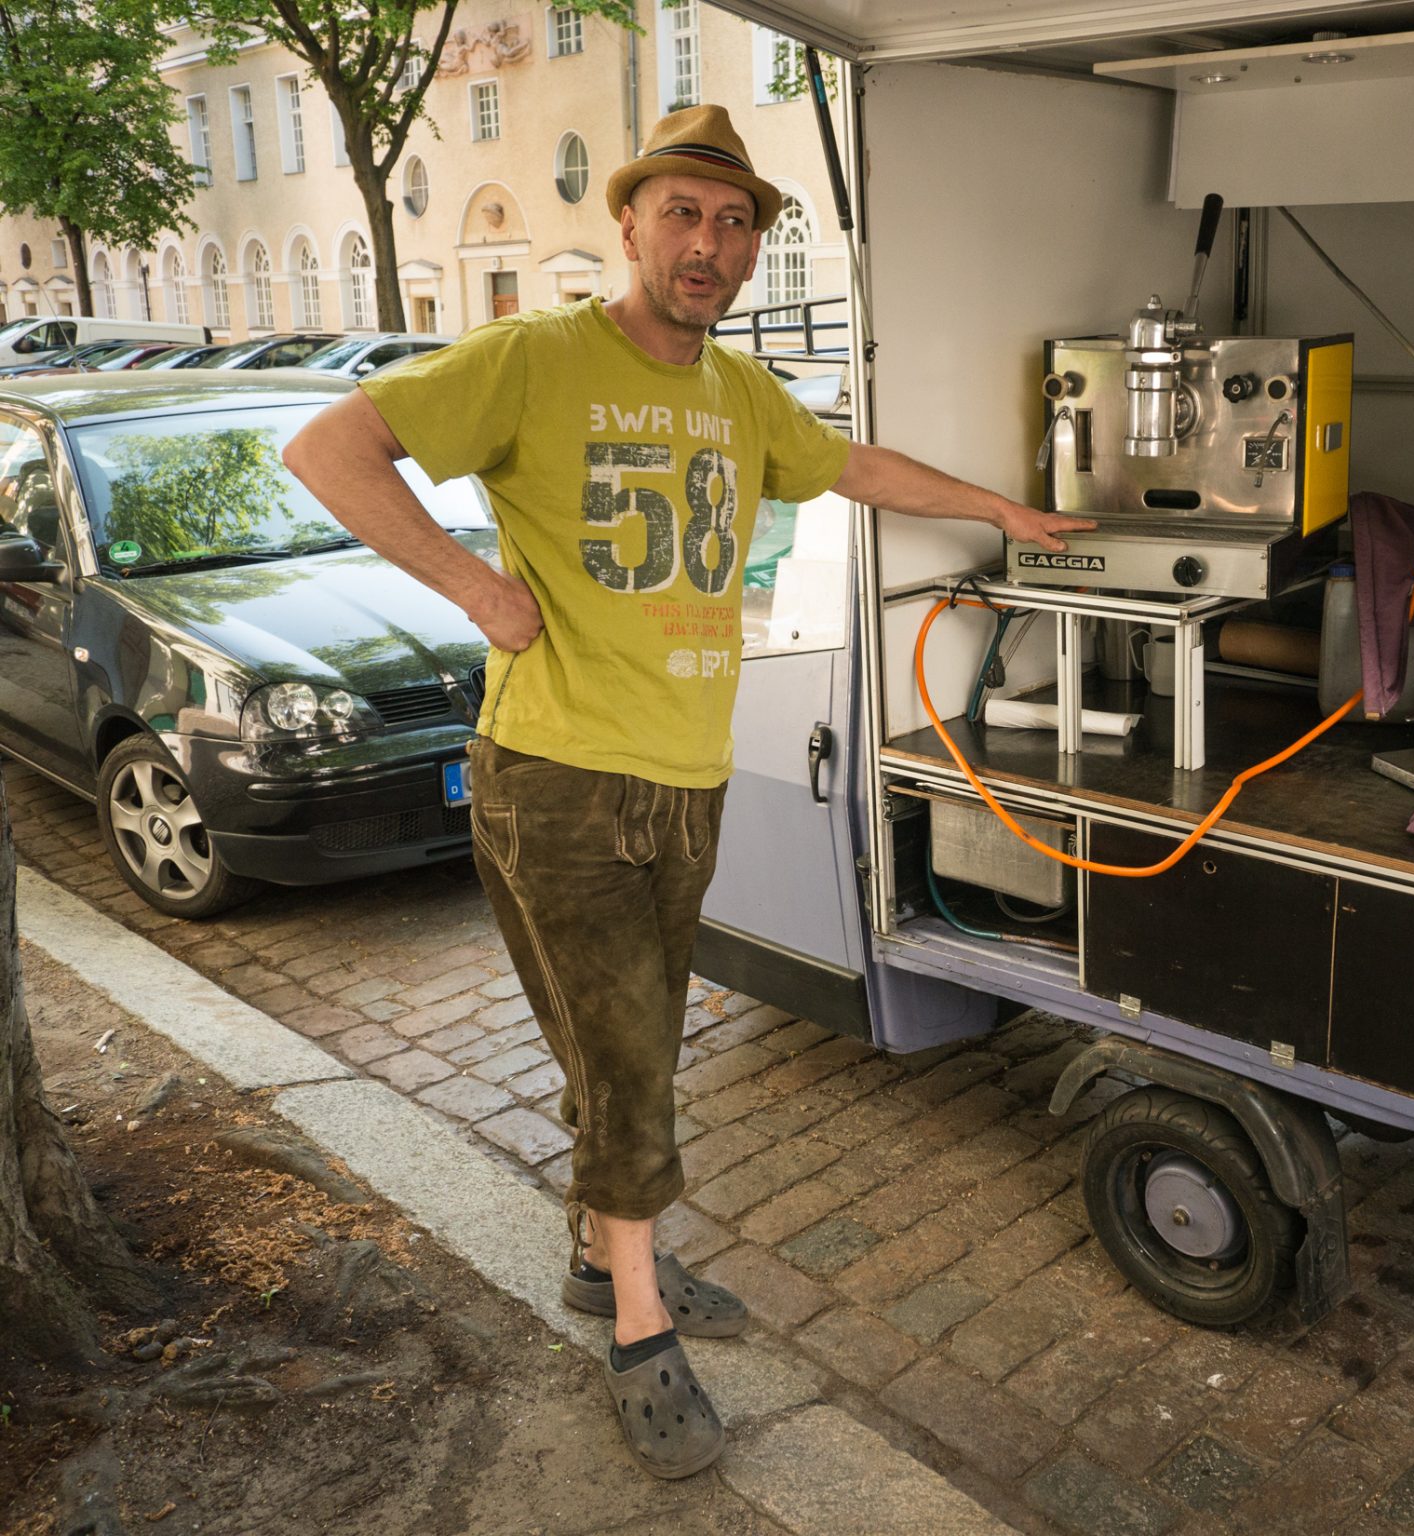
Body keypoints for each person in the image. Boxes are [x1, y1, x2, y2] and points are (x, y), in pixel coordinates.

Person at [282, 104, 1092, 1479]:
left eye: (733, 224)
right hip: (560, 779)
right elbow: (330, 450)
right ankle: (642, 1327)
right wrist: (478, 589)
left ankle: (610, 1257)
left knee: (633, 1039)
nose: (706, 245)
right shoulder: (535, 358)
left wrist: (1000, 513)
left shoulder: (737, 393)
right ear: (631, 224)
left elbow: (853, 465)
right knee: (634, 1061)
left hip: (685, 778)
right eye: (683, 215)